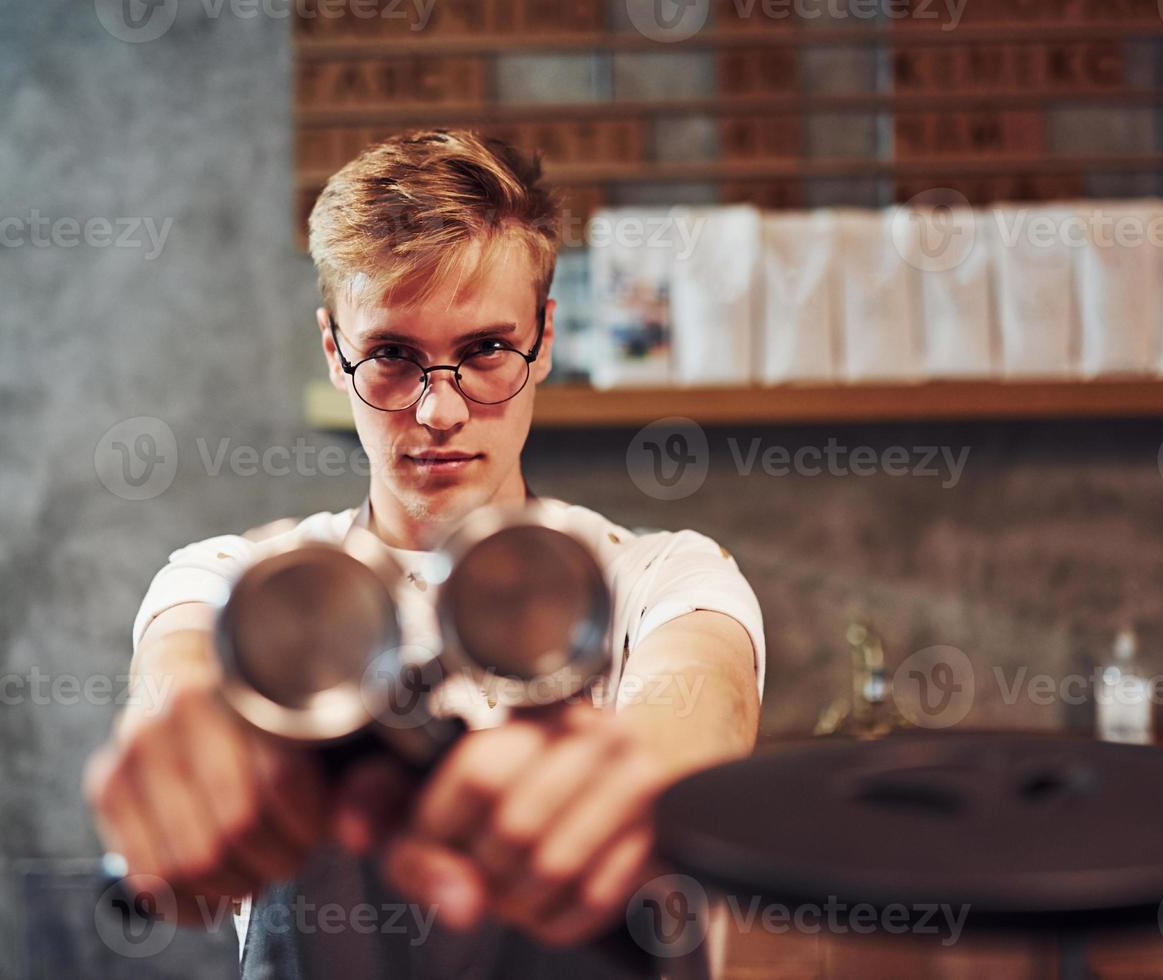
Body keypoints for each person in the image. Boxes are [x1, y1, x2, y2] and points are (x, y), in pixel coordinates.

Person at [84, 128, 766, 978]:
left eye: (484, 350)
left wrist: (641, 779)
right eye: (393, 358)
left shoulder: (662, 576)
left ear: (544, 339)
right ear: (335, 349)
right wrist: (194, 749)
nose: (439, 413)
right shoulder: (236, 581)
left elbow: (701, 708)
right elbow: (179, 673)